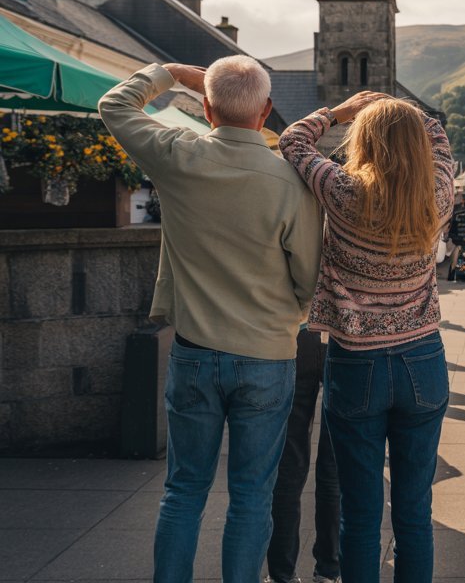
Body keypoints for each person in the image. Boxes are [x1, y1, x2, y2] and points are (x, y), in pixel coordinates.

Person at [99, 59, 322, 583]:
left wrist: (170, 71)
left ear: (205, 107)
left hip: (196, 350)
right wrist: (286, 318)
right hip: (267, 354)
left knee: (183, 490)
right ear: (266, 111)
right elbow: (309, 279)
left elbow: (114, 105)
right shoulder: (290, 181)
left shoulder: (179, 154)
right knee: (251, 495)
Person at [279, 91, 455, 583]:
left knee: (358, 515)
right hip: (423, 358)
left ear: (365, 143)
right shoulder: (437, 194)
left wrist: (338, 112)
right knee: (415, 514)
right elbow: (439, 139)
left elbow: (292, 141)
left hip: (357, 364)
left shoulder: (343, 190)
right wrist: (408, 112)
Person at [266, 330, 340, 583]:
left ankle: (281, 573)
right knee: (334, 469)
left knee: (288, 467)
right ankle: (329, 571)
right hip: (342, 340)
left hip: (295, 337)